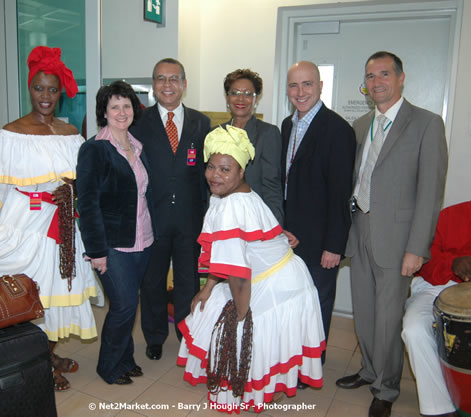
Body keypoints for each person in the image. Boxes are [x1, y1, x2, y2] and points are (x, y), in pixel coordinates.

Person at [0, 46, 102, 391]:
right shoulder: (10, 134)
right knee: (31, 296)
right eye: (38, 88)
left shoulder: (71, 132)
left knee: (59, 290)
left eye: (52, 89)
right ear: (29, 89)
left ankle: (47, 353)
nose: (45, 96)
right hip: (25, 226)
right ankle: (40, 361)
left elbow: (82, 180)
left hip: (62, 228)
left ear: (61, 91)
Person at [177, 125, 325, 413]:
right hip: (272, 273)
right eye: (210, 167)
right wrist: (208, 289)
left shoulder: (231, 204)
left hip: (276, 283)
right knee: (214, 308)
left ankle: (258, 388)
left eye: (225, 169)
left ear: (241, 171)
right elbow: (225, 255)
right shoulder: (227, 195)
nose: (214, 175)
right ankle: (260, 384)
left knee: (246, 331)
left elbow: (238, 274)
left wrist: (240, 321)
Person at [336, 51, 448, 417]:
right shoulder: (361, 124)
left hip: (398, 239)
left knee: (388, 317)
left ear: (401, 78)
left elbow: (430, 192)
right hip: (361, 228)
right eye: (370, 76)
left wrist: (417, 247)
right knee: (365, 312)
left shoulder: (427, 124)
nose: (376, 81)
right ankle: (369, 370)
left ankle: (387, 387)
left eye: (384, 74)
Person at [401, 159, 471, 417]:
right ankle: (439, 408)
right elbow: (423, 262)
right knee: (414, 329)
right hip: (439, 288)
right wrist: (452, 264)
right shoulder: (451, 216)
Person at [130, 58, 211, 361]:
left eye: (174, 78)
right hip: (152, 217)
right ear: (153, 85)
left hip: (191, 218)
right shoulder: (138, 123)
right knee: (152, 280)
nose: (167, 85)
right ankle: (154, 337)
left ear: (184, 84)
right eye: (161, 79)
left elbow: (206, 171)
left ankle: (186, 333)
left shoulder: (201, 123)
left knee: (188, 281)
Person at [280, 61, 356, 377]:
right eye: (294, 85)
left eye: (307, 84)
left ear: (320, 86)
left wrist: (334, 246)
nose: (301, 92)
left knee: (317, 305)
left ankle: (311, 365)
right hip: (287, 239)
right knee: (292, 304)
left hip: (320, 240)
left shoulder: (338, 130)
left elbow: (341, 195)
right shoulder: (287, 125)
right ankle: (291, 359)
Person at [76, 81, 154, 385]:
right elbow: (88, 203)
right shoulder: (94, 149)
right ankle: (108, 366)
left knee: (129, 303)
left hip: (143, 240)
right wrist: (96, 252)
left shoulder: (137, 145)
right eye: (114, 107)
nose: (122, 112)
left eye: (126, 105)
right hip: (112, 245)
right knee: (122, 306)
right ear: (104, 113)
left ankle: (125, 358)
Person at [220, 69, 283, 223]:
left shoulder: (268, 133)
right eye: (234, 93)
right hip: (222, 217)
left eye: (248, 94)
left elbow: (272, 185)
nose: (241, 99)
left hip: (255, 220)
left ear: (256, 100)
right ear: (227, 98)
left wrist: (274, 228)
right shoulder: (216, 133)